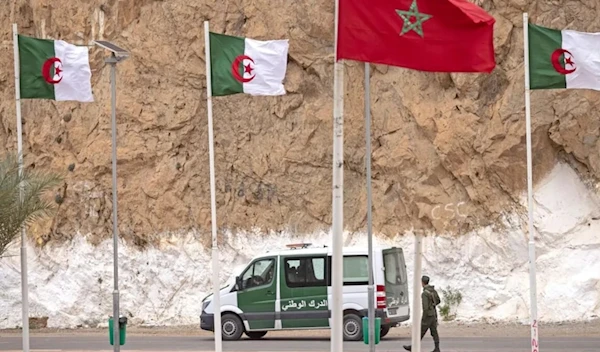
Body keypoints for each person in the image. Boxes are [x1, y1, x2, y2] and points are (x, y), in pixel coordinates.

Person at [403, 275, 441, 352]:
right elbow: (438, 301)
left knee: (420, 332)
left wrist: (424, 317)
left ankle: (413, 346)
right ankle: (437, 348)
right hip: (433, 314)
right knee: (434, 332)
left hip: (428, 316)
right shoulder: (433, 290)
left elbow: (425, 307)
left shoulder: (424, 293)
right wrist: (433, 305)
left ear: (422, 282)